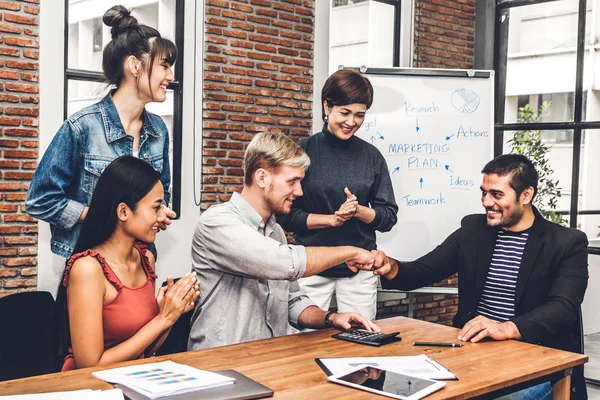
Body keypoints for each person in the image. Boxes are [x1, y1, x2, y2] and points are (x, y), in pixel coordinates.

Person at [371, 154, 588, 399]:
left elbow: (563, 308)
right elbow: (423, 271)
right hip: (472, 352)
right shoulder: (472, 230)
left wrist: (507, 328)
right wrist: (390, 267)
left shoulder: (566, 242)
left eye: (496, 194)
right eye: (483, 192)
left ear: (526, 195)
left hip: (535, 360)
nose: (486, 202)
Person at [25, 5, 177, 293]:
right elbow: (40, 199)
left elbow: (162, 193)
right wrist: (97, 213)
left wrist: (158, 212)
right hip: (87, 268)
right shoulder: (82, 127)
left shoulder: (159, 131)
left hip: (139, 265)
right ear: (134, 66)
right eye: (165, 65)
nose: (170, 75)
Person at [188, 132, 380, 350]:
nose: (299, 192)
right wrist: (351, 252)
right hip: (220, 364)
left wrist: (331, 318)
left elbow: (293, 302)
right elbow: (284, 262)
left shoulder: (275, 231)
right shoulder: (217, 223)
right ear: (261, 178)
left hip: (266, 358)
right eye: (292, 181)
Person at [56, 156, 199, 371]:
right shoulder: (87, 268)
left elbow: (145, 351)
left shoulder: (145, 259)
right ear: (123, 211)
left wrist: (171, 316)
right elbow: (89, 365)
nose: (164, 216)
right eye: (156, 207)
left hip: (132, 380)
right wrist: (162, 319)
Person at [278, 69, 398, 321]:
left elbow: (388, 217)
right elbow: (286, 216)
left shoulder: (371, 157)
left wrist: (358, 211)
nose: (351, 122)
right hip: (310, 266)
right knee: (301, 341)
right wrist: (331, 219)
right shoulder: (302, 152)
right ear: (327, 106)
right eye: (345, 112)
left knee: (361, 340)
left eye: (360, 115)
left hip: (359, 269)